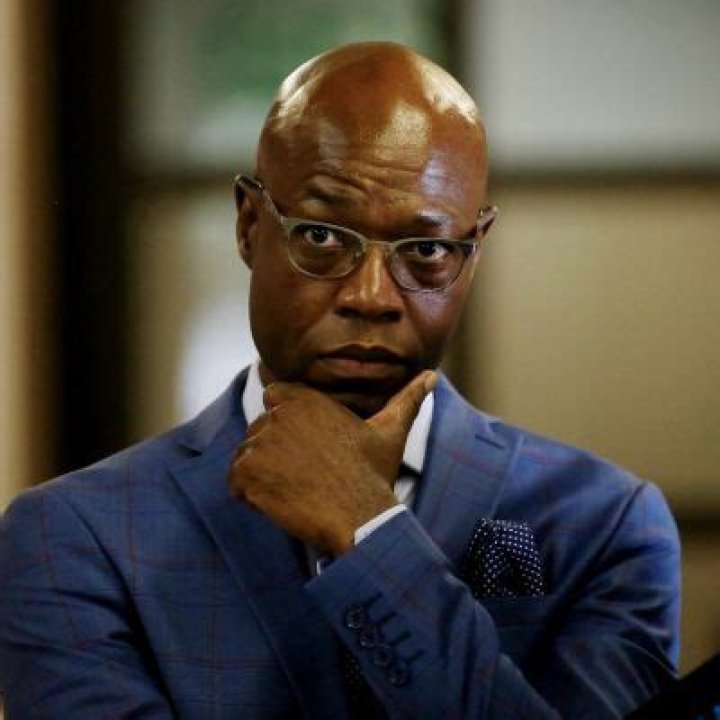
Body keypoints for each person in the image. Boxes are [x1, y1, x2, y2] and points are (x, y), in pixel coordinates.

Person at [0, 41, 680, 719]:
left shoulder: (602, 524)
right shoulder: (73, 537)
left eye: (426, 250)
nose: (371, 296)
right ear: (249, 226)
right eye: (322, 238)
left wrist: (369, 530)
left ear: (474, 254)